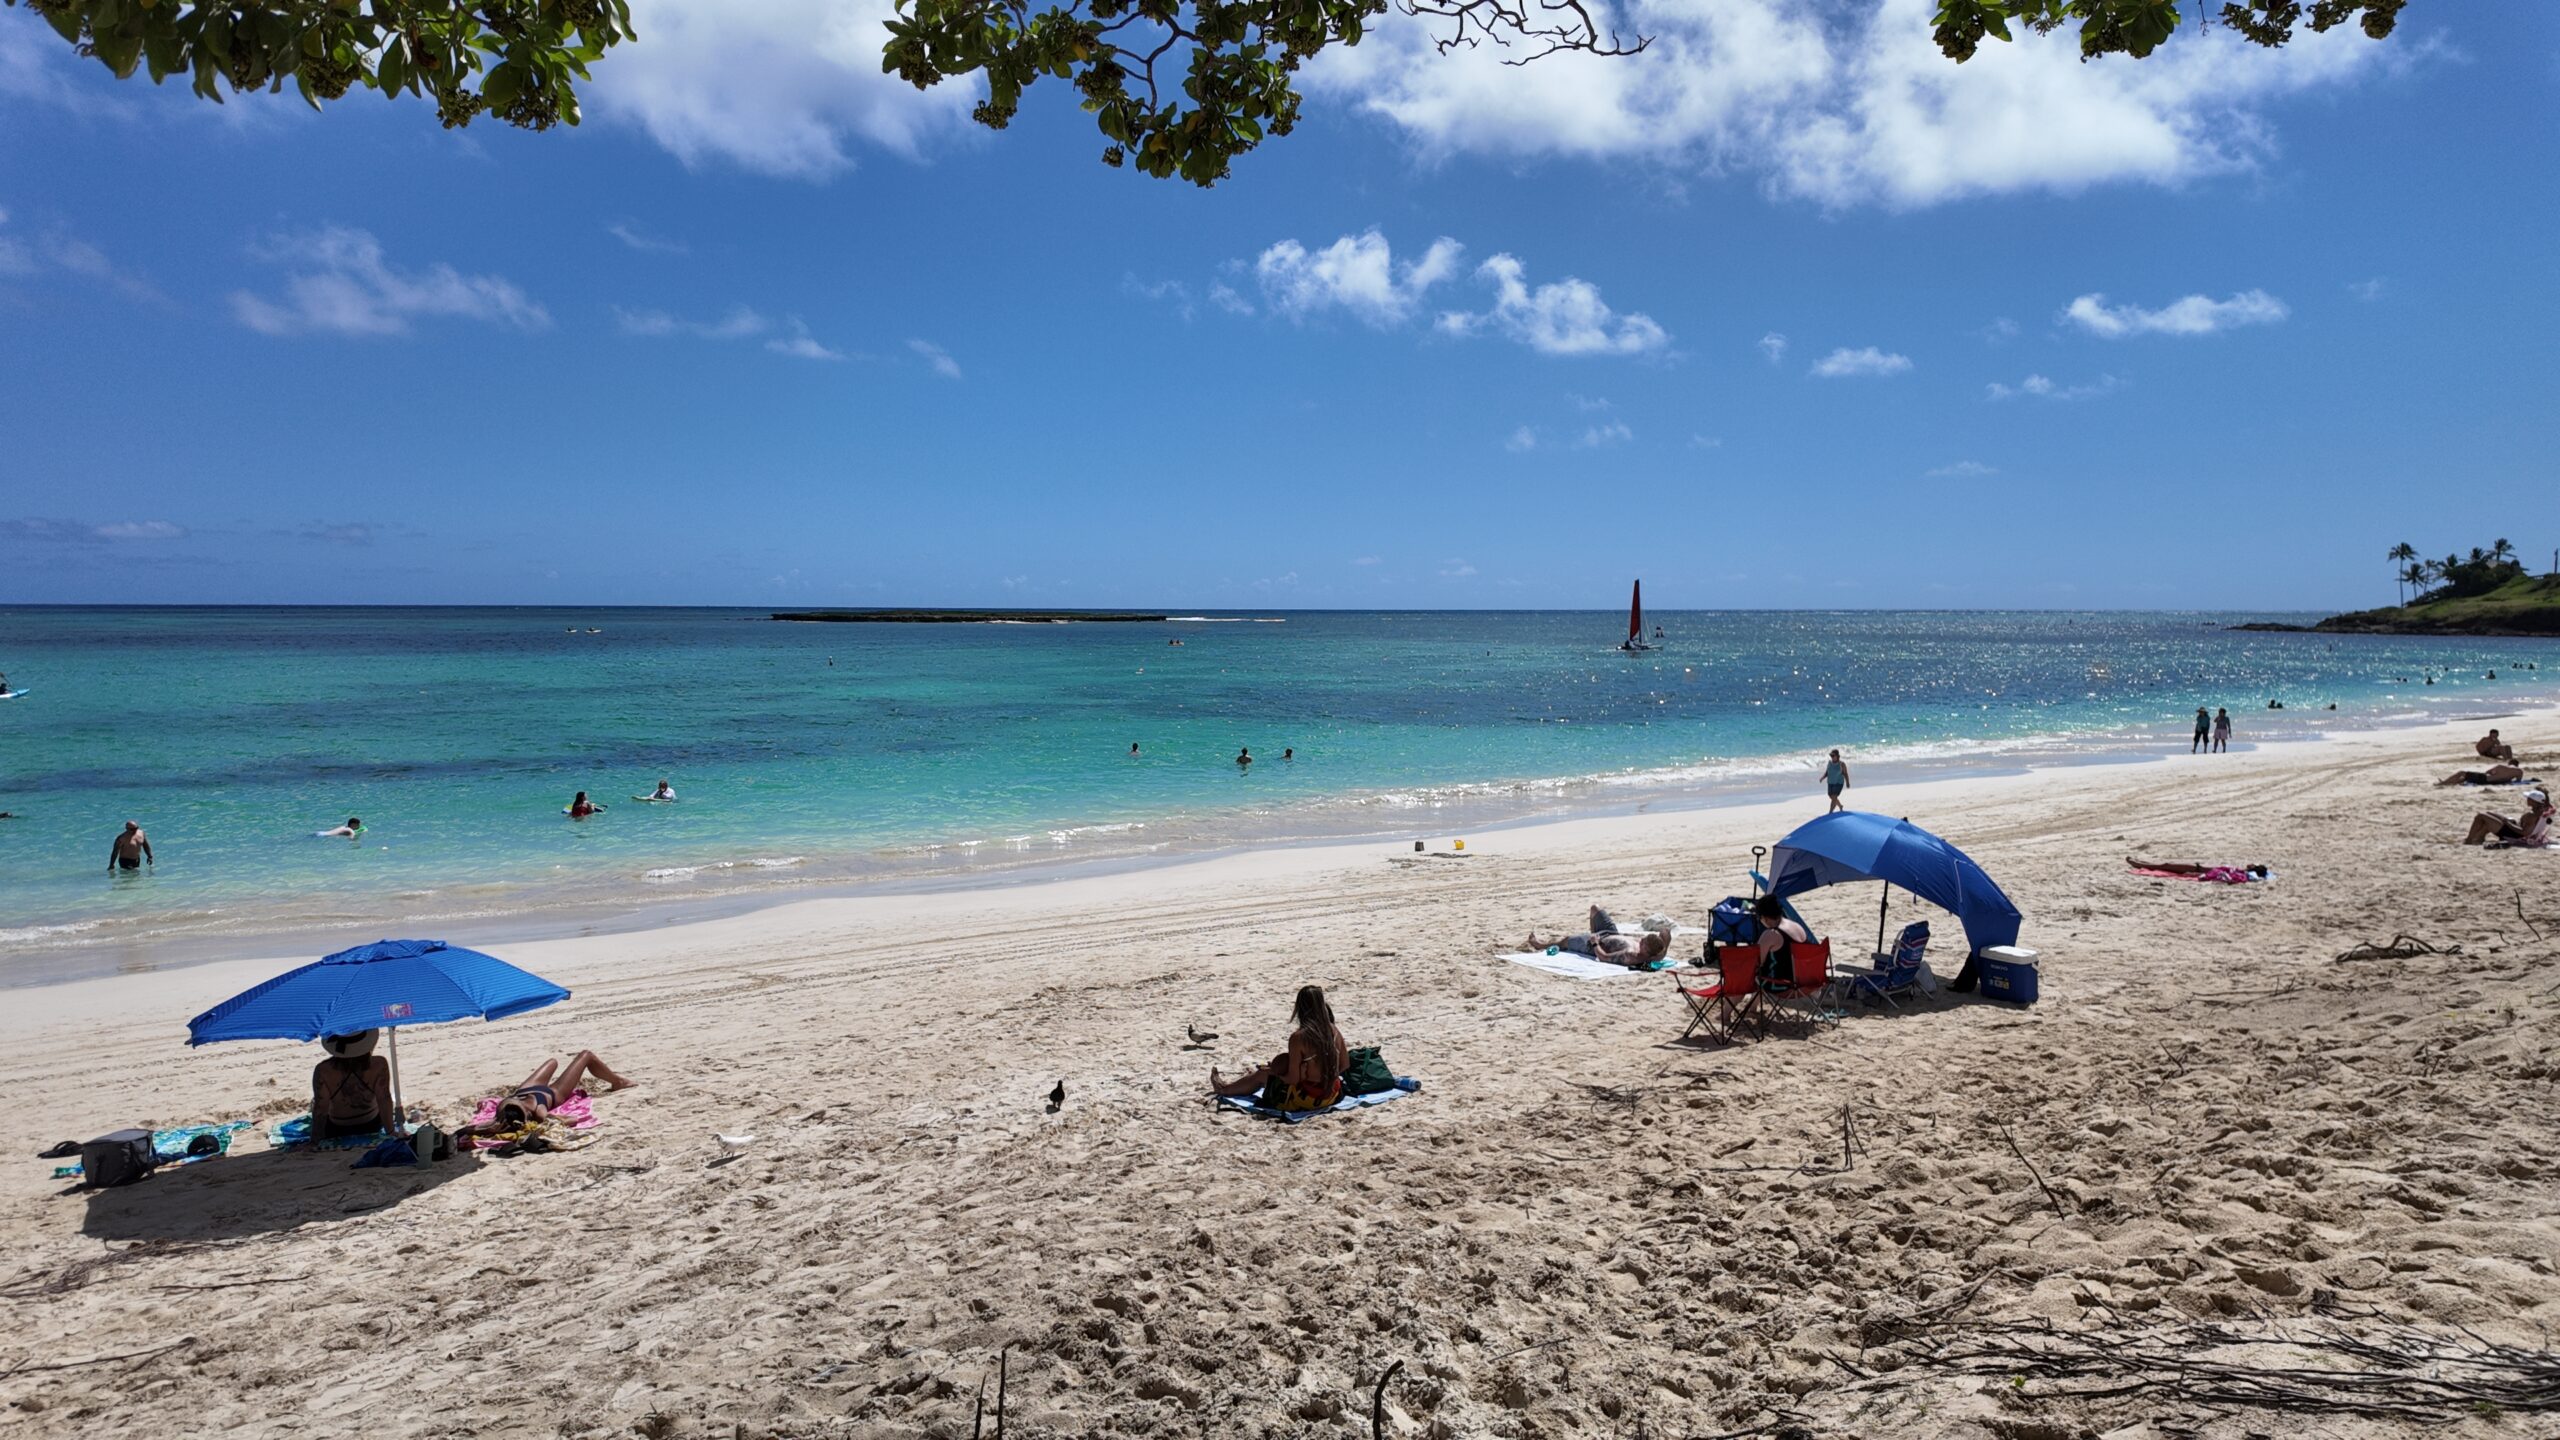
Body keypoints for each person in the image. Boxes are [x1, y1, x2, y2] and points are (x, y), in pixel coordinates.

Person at [1211, 985, 1348, 1110]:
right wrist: (1324, 1075)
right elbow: (1345, 1064)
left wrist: (1275, 1073)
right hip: (1333, 1095)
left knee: (1262, 1074)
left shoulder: (1299, 1037)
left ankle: (1224, 1089)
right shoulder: (1333, 1030)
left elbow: (1293, 1079)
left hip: (1308, 1099)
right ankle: (1228, 1087)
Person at [450, 1050, 637, 1141]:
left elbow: (468, 1129)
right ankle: (618, 1081)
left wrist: (464, 1133)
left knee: (553, 1062)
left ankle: (617, 1081)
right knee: (585, 1056)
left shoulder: (501, 1113)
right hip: (552, 1093)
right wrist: (550, 1120)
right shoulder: (538, 1111)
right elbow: (571, 1119)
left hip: (528, 1089)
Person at [310, 1030, 400, 1139]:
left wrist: (315, 1140)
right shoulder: (378, 1064)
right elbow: (384, 1099)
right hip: (371, 1125)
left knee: (314, 1102)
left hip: (336, 1128)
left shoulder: (323, 1070)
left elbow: (321, 1108)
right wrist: (390, 1132)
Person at [1526, 907, 1672, 966]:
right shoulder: (1657, 954)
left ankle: (1539, 945)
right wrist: (1664, 936)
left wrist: (1595, 943)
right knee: (1595, 909)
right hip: (1612, 933)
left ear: (1646, 948)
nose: (1641, 940)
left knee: (1566, 941)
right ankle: (1590, 933)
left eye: (1643, 941)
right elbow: (1665, 936)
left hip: (1597, 943)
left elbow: (1604, 958)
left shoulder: (1631, 956)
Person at [1752, 893, 1811, 985]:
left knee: (1747, 975)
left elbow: (1755, 962)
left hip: (1782, 986)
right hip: (1804, 982)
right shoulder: (1797, 926)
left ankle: (1729, 999)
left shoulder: (1771, 934)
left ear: (1765, 918)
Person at [2466, 790, 2553, 847]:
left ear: (2533, 801)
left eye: (2528, 798)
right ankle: (2480, 838)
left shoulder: (2532, 815)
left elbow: (2524, 832)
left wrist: (2508, 823)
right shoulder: (2543, 811)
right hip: (2516, 831)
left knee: (2480, 816)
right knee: (2489, 814)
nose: (2527, 800)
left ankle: (2469, 840)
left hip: (2514, 835)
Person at [2126, 857, 2271, 879]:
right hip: (2198, 869)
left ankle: (2140, 864)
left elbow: (2220, 874)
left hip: (2197, 870)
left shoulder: (2240, 873)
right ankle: (2141, 863)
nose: (2251, 864)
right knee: (2167, 866)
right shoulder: (2241, 872)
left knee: (2167, 867)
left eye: (2254, 865)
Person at [2439, 765, 2528, 787]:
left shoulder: (2501, 767)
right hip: (2493, 782)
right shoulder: (2519, 772)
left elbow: (2488, 772)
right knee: (2466, 778)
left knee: (2462, 773)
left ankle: (2444, 782)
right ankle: (2449, 783)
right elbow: (2518, 782)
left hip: (2485, 779)